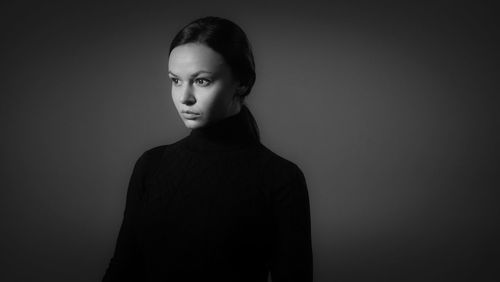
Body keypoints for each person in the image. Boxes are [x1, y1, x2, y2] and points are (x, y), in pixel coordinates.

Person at [102, 16, 313, 282]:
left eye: (201, 81)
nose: (184, 97)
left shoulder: (280, 178)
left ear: (243, 82)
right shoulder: (151, 165)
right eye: (175, 80)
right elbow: (123, 268)